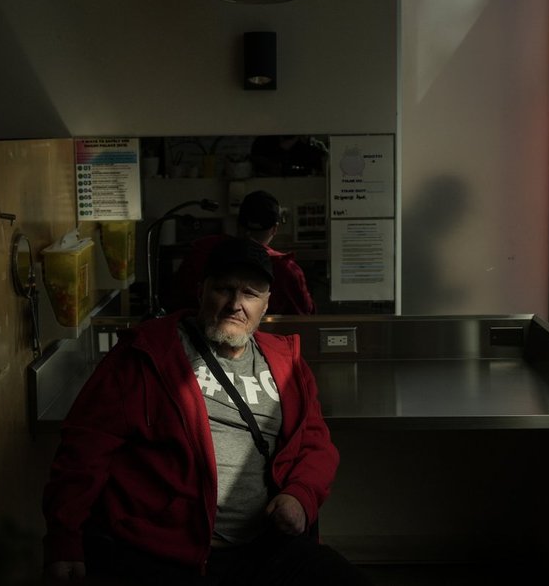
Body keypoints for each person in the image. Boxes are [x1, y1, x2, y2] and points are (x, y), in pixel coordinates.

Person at [42, 237, 367, 585]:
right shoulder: (146, 354)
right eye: (224, 289)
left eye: (250, 294)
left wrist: (300, 496)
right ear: (201, 291)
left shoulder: (287, 364)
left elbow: (315, 444)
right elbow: (86, 448)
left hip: (266, 549)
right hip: (165, 554)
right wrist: (65, 540)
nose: (235, 305)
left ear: (266, 304)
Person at [170, 190, 316, 315]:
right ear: (274, 229)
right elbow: (304, 317)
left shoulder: (202, 251)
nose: (235, 305)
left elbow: (175, 301)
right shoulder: (285, 269)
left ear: (238, 223)